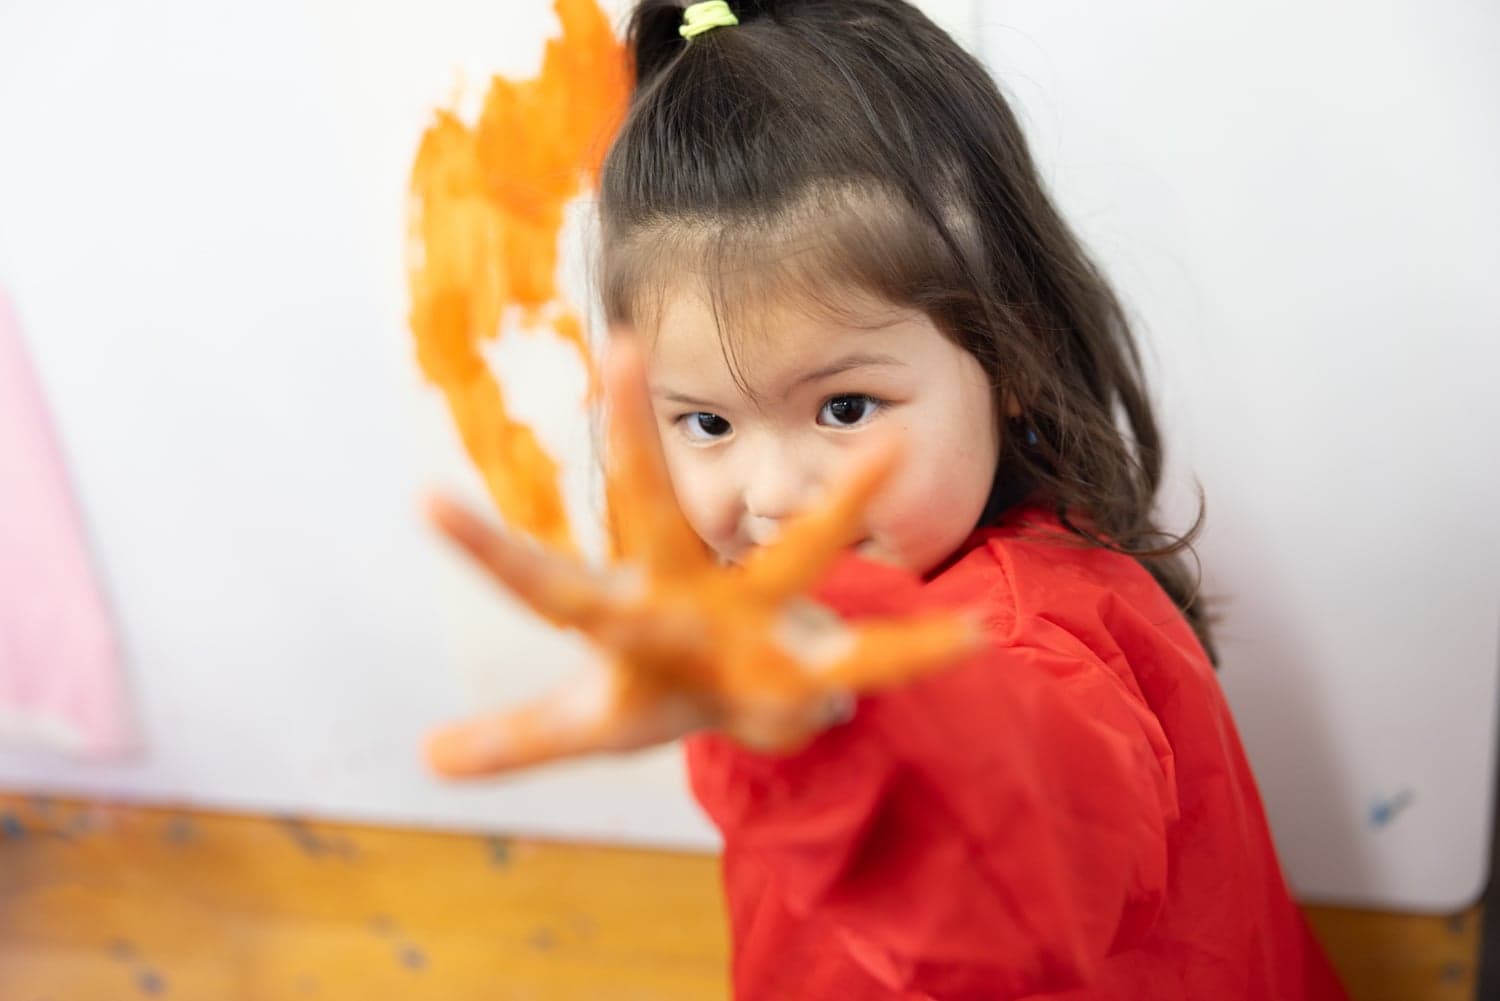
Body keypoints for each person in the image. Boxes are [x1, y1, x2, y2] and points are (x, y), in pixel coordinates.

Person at [424, 1, 1351, 997]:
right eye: (706, 423)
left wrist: (835, 712)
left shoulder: (1029, 636)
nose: (773, 493)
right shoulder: (771, 625)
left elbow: (1025, 872)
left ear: (1011, 356)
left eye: (846, 406)